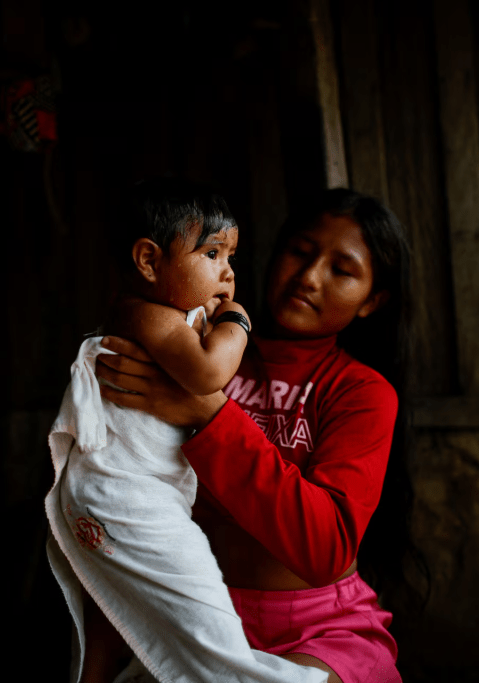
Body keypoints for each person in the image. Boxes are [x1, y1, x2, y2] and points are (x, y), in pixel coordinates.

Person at [97, 188, 409, 683]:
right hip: (189, 612)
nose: (308, 277)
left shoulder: (362, 393)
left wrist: (208, 412)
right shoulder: (193, 347)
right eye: (300, 252)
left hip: (318, 628)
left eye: (341, 270)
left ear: (373, 301)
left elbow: (325, 550)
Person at [44, 178, 327, 683]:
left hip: (123, 495)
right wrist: (237, 322)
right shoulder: (148, 315)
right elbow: (208, 374)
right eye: (213, 253)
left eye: (231, 256)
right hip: (123, 497)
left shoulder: (169, 316)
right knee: (206, 618)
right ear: (149, 262)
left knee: (116, 624)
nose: (227, 271)